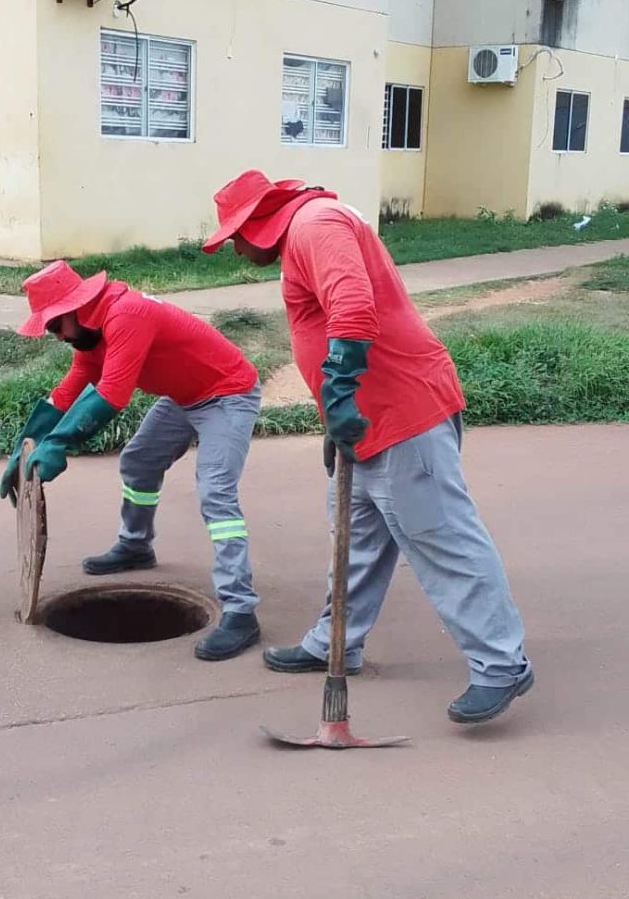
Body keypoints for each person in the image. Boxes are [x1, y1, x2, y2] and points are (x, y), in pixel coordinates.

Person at [202, 172, 534, 724]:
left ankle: (502, 664)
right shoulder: (305, 233)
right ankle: (335, 643)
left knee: (442, 538)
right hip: (365, 422)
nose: (236, 248)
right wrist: (334, 415)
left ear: (258, 221)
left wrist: (338, 390)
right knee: (354, 541)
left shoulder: (314, 224)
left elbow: (353, 305)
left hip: (403, 414)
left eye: (236, 235)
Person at [0, 260, 262, 661]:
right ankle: (136, 546)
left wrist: (60, 443)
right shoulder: (91, 335)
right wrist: (25, 446)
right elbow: (68, 392)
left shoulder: (127, 315)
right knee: (139, 462)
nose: (57, 336)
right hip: (184, 396)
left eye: (54, 325)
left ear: (75, 309)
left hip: (227, 394)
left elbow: (111, 396)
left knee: (215, 492)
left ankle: (241, 611)